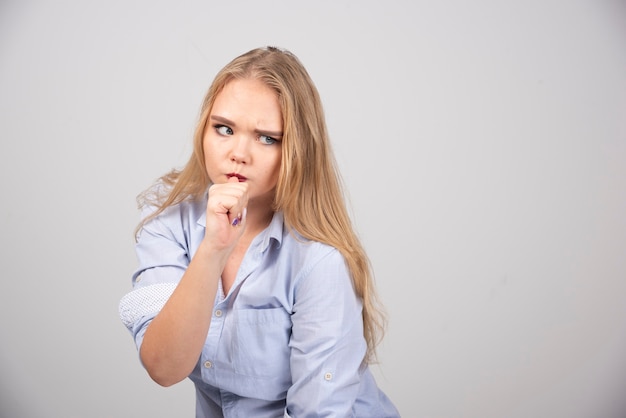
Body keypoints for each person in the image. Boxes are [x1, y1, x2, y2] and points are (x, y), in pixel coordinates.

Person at [118, 46, 400, 418]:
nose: (239, 153)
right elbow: (164, 367)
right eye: (224, 128)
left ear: (297, 150)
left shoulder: (319, 259)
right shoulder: (168, 219)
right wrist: (213, 249)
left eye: (267, 138)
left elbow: (318, 413)